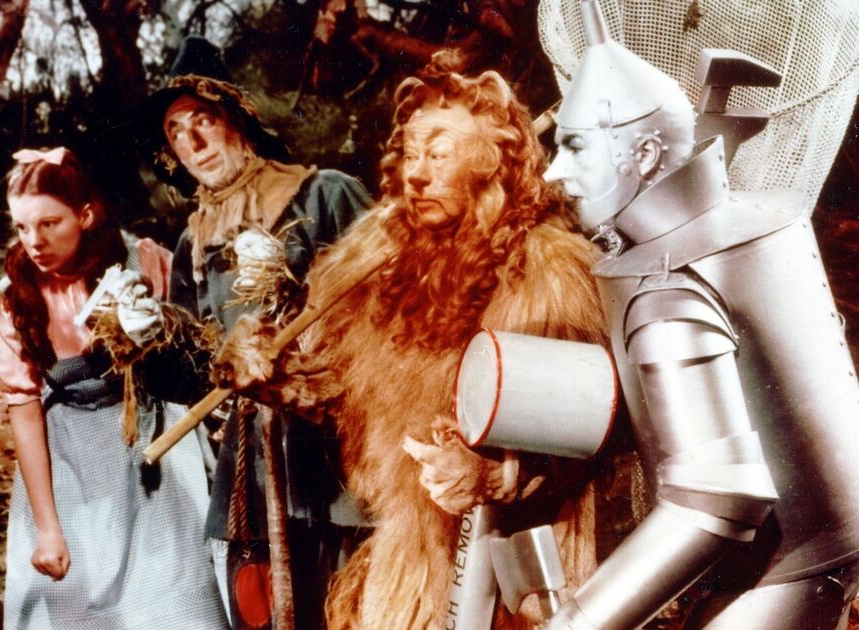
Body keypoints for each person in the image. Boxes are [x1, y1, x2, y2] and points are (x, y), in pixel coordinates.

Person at [219, 65, 607, 629]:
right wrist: (274, 375)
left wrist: (493, 474)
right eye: (411, 153)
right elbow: (341, 395)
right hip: (411, 558)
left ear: (494, 162)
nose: (417, 175)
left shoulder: (546, 268)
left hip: (518, 573)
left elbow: (587, 435)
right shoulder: (381, 254)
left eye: (440, 153)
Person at [537, 1, 859, 628]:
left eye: (576, 148)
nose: (556, 172)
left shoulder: (668, 288)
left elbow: (714, 501)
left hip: (787, 573)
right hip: (815, 553)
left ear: (646, 155)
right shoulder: (729, 226)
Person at [138, 37, 373, 629]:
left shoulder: (324, 195)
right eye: (175, 132)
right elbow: (199, 374)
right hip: (255, 469)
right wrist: (143, 343)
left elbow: (391, 314)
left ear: (237, 121)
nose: (192, 143)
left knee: (357, 608)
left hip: (342, 456)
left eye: (202, 120)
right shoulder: (193, 244)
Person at [0, 147, 227, 629]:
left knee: (173, 590)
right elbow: (24, 411)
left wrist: (155, 327)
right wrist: (47, 528)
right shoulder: (8, 300)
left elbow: (193, 359)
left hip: (152, 442)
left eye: (49, 223)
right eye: (22, 227)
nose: (35, 241)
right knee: (78, 595)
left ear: (86, 215)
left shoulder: (141, 261)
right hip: (69, 455)